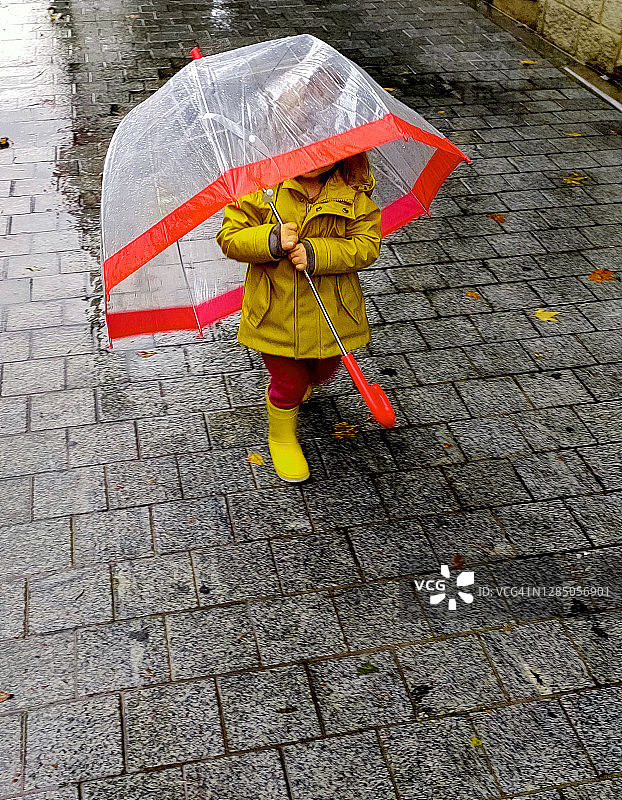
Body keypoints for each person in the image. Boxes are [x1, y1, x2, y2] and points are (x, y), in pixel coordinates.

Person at [216, 152, 381, 483]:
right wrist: (271, 240)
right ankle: (281, 434)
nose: (313, 158)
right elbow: (230, 238)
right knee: (290, 381)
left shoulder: (353, 190)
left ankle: (302, 385)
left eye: (323, 148)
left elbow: (367, 245)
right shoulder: (260, 187)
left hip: (332, 308)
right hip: (275, 309)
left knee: (324, 369)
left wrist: (318, 252)